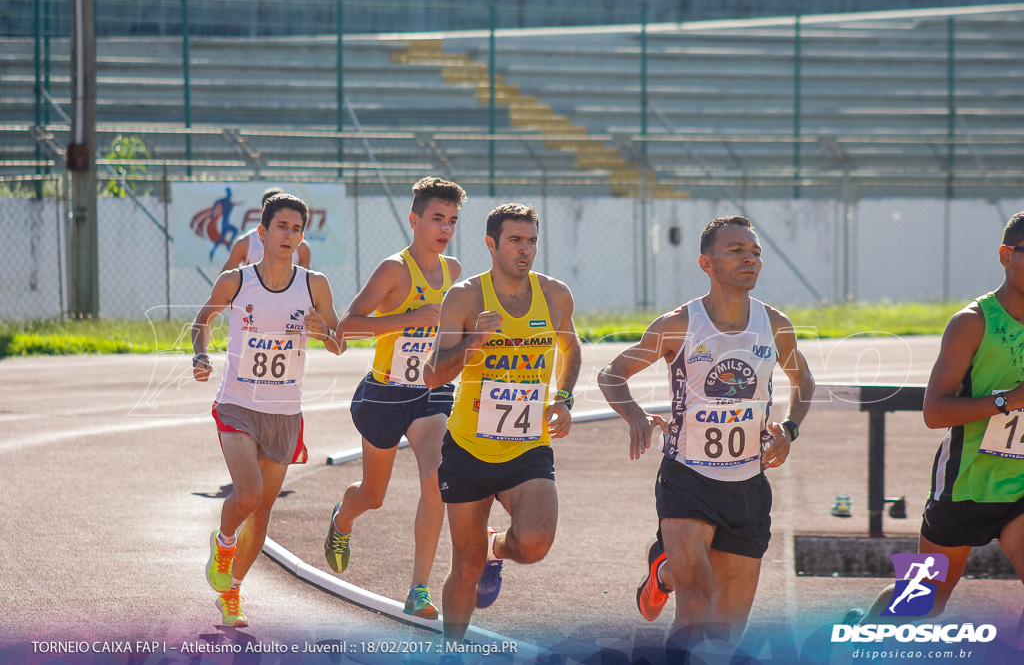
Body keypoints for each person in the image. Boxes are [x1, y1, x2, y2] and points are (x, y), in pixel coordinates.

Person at [597, 215, 814, 655]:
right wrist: (636, 416)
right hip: (688, 479)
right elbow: (611, 373)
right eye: (736, 250)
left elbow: (803, 382)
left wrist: (789, 430)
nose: (750, 258)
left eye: (755, 252)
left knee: (723, 637)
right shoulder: (678, 325)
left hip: (748, 486)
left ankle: (661, 571)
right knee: (695, 603)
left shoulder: (776, 325)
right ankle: (668, 572)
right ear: (707, 263)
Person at [845, 211, 1024, 624]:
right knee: (924, 599)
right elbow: (934, 411)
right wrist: (1009, 400)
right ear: (1006, 255)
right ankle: (861, 632)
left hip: (1019, 488)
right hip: (967, 482)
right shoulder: (972, 323)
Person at [423, 202, 581, 648]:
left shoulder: (554, 295)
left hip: (527, 448)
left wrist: (564, 399)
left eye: (531, 240)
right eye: (515, 240)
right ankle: (450, 652)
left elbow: (572, 350)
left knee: (534, 543)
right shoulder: (467, 297)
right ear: (491, 244)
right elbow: (434, 374)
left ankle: (500, 549)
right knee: (465, 565)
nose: (525, 249)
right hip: (469, 448)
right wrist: (475, 341)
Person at [192, 193, 344, 627]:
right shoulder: (237, 281)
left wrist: (324, 332)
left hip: (285, 413)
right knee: (248, 494)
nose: (289, 235)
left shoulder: (315, 284)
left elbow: (338, 343)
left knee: (262, 514)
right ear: (262, 232)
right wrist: (200, 356)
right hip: (238, 404)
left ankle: (233, 591)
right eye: (282, 227)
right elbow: (202, 320)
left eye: (297, 229)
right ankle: (222, 544)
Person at [323, 176, 466, 620]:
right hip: (385, 393)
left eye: (452, 221)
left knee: (435, 476)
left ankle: (418, 588)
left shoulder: (454, 272)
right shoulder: (393, 270)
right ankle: (342, 520)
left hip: (432, 390)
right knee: (373, 495)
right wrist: (409, 318)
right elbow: (348, 326)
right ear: (414, 219)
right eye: (437, 219)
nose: (444, 228)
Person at [221, 187, 312, 272]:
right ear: (262, 211)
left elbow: (307, 284)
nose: (288, 235)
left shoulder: (302, 248)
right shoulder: (244, 244)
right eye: (281, 226)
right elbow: (225, 282)